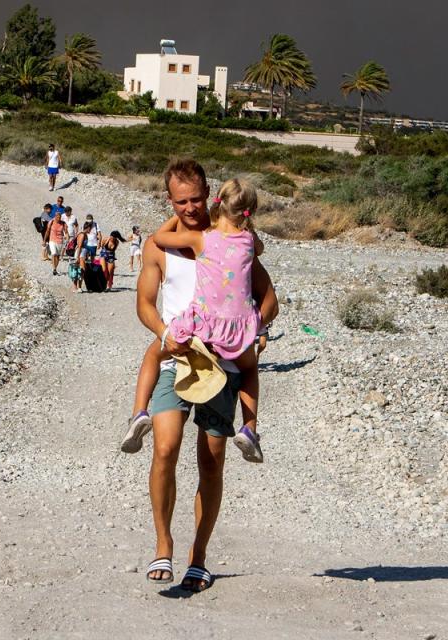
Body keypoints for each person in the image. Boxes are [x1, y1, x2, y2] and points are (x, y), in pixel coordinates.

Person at [133, 159, 278, 591]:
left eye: (197, 199)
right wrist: (163, 333)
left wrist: (257, 330)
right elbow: (144, 304)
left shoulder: (229, 239)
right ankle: (163, 545)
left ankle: (199, 556)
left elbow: (268, 298)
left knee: (211, 462)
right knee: (164, 449)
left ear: (209, 194)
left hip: (224, 365)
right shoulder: (160, 248)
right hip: (176, 356)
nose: (191, 208)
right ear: (170, 201)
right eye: (181, 202)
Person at [152, 178, 266, 463]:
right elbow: (259, 250)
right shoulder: (250, 242)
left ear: (216, 201)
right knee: (250, 370)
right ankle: (250, 428)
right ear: (249, 211)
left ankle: (140, 411)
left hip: (203, 327)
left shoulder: (201, 238)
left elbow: (159, 238)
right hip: (238, 329)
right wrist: (258, 324)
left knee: (157, 349)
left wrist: (175, 212)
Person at [44, 211, 67, 276]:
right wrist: (44, 240)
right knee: (53, 254)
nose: (58, 218)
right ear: (55, 216)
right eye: (57, 217)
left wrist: (67, 236)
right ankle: (54, 268)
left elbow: (66, 232)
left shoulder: (63, 223)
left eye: (59, 217)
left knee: (57, 256)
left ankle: (55, 269)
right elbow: (47, 231)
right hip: (52, 240)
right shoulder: (51, 222)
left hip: (60, 241)